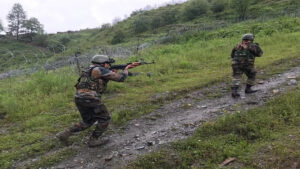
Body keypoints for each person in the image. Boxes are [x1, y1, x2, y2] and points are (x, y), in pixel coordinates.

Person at [56, 55, 139, 147]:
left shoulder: (88, 70)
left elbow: (97, 82)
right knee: (105, 118)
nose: (108, 65)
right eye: (108, 64)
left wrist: (111, 73)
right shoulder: (100, 69)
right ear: (103, 63)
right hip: (90, 98)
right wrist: (126, 69)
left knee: (88, 121)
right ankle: (93, 140)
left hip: (79, 97)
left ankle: (64, 134)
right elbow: (121, 78)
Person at [231, 33, 263, 98]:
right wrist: (257, 47)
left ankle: (234, 91)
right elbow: (260, 54)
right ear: (251, 39)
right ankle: (248, 89)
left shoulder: (237, 45)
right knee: (252, 74)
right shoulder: (252, 45)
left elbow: (232, 55)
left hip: (235, 64)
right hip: (247, 64)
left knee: (236, 77)